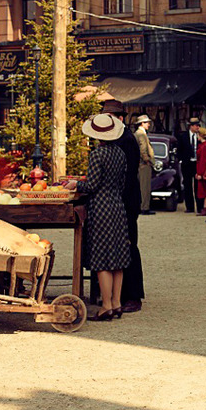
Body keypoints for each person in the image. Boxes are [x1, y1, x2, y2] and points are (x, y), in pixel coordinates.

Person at [80, 113, 132, 321]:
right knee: (118, 257)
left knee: (102, 258)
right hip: (117, 205)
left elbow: (91, 185)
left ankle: (106, 306)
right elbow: (121, 184)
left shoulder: (97, 155)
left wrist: (76, 185)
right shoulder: (120, 153)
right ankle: (117, 302)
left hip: (100, 207)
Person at [101, 98, 145, 314]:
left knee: (128, 245)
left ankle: (133, 296)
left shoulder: (125, 139)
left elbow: (126, 177)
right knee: (122, 246)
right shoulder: (117, 137)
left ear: (119, 118)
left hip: (125, 201)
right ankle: (113, 295)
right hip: (120, 199)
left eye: (109, 117)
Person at [177, 117, 201, 214]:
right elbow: (179, 149)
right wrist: (182, 160)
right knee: (187, 185)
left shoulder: (200, 136)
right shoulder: (184, 136)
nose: (197, 127)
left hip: (197, 163)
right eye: (196, 125)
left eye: (198, 125)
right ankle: (190, 206)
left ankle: (200, 206)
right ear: (191, 126)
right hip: (187, 164)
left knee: (198, 185)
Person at [134, 114, 155, 215]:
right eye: (147, 122)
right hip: (143, 164)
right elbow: (143, 149)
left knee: (142, 186)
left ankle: (142, 206)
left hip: (140, 164)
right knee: (145, 187)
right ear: (142, 123)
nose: (149, 125)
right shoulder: (141, 134)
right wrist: (147, 160)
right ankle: (145, 207)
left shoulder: (138, 133)